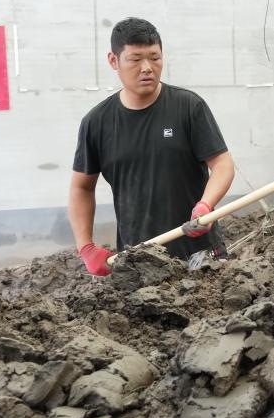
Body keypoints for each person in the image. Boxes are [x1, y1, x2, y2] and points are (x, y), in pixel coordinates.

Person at [69, 17, 236, 276]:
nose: (147, 68)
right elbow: (81, 186)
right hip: (139, 259)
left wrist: (206, 205)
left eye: (154, 58)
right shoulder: (97, 123)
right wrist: (86, 247)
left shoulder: (189, 107)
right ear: (114, 61)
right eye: (135, 59)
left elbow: (222, 164)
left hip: (200, 253)